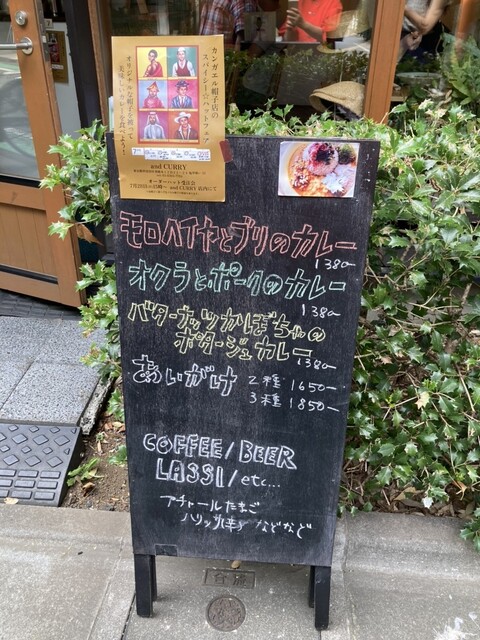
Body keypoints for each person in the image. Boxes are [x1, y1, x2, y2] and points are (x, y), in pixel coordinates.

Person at [199, 0, 278, 47]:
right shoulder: (246, 2)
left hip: (217, 57)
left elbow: (242, 35)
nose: (278, 6)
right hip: (208, 55)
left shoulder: (246, 3)